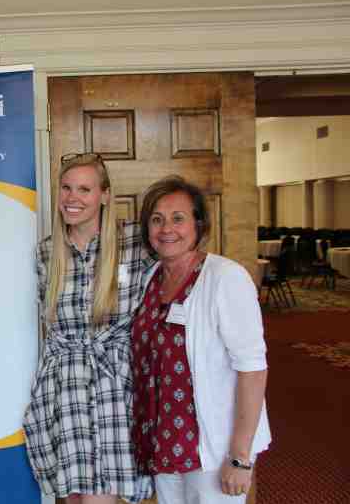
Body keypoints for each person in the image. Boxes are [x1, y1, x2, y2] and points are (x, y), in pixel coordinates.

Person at [131, 176, 271, 503]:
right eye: (157, 219)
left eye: (178, 218)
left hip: (214, 445)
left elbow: (252, 369)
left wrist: (239, 456)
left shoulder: (226, 278)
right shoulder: (150, 279)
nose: (167, 229)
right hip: (162, 439)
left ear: (199, 225)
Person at [23, 153, 152, 504]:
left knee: (100, 499)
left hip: (113, 382)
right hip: (62, 386)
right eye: (66, 188)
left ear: (105, 195)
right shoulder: (47, 252)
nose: (72, 198)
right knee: (72, 499)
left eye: (84, 189)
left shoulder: (135, 244)